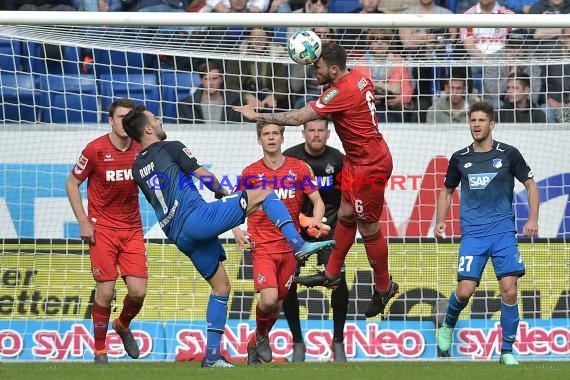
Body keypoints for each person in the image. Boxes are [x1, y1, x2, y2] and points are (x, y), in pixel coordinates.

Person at [121, 106, 335, 367]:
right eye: (155, 118)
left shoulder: (137, 166)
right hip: (197, 218)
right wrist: (224, 194)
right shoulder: (170, 147)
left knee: (221, 288)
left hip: (177, 233)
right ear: (147, 128)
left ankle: (211, 356)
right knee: (265, 192)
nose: (160, 119)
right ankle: (298, 243)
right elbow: (205, 176)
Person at [235, 41, 399, 319]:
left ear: (334, 69)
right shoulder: (359, 75)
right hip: (357, 159)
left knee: (368, 228)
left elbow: (300, 117)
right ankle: (332, 273)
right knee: (346, 215)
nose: (313, 70)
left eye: (317, 66)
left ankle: (384, 286)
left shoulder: (341, 90)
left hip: (369, 166)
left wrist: (258, 115)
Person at [433, 101, 539, 366]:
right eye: (472, 120)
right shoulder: (460, 158)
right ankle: (447, 324)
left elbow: (530, 184)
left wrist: (533, 219)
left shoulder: (508, 154)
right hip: (474, 234)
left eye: (481, 120)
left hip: (503, 232)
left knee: (510, 290)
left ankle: (506, 351)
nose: (476, 125)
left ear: (492, 124)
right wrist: (440, 221)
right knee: (465, 290)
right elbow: (446, 191)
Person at [233, 121, 327, 365]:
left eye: (275, 133)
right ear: (259, 140)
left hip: (290, 249)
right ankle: (262, 337)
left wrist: (316, 221)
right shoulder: (250, 173)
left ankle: (254, 342)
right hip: (262, 246)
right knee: (268, 299)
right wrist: (236, 231)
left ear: (283, 138)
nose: (271, 138)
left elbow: (317, 201)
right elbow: (232, 207)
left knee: (276, 305)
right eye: (266, 134)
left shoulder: (299, 168)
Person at [65, 99, 146, 365]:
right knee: (106, 291)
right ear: (110, 120)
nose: (123, 122)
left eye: (128, 117)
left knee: (138, 292)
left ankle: (122, 325)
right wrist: (83, 221)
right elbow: (72, 183)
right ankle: (100, 350)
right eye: (119, 117)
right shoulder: (95, 149)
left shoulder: (141, 148)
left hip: (132, 228)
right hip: (102, 229)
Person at [282, 119, 349, 362]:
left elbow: (346, 198)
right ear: (303, 133)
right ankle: (298, 343)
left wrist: (335, 225)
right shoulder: (291, 159)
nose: (316, 134)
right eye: (312, 130)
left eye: (321, 130)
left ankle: (338, 342)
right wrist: (301, 221)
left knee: (338, 281)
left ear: (328, 133)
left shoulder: (339, 160)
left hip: (329, 228)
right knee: (287, 282)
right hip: (295, 229)